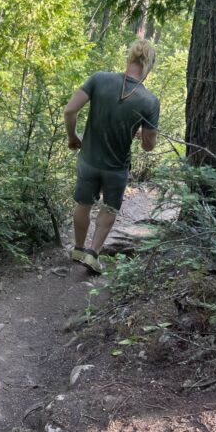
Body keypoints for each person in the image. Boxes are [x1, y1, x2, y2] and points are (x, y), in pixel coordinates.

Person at [64, 40, 160, 273]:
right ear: (149, 65)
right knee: (109, 208)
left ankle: (77, 248)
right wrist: (140, 135)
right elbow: (149, 146)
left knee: (83, 204)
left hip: (88, 159)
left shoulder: (99, 79)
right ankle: (93, 255)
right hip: (116, 168)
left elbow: (70, 110)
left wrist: (73, 137)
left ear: (129, 58)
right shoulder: (149, 101)